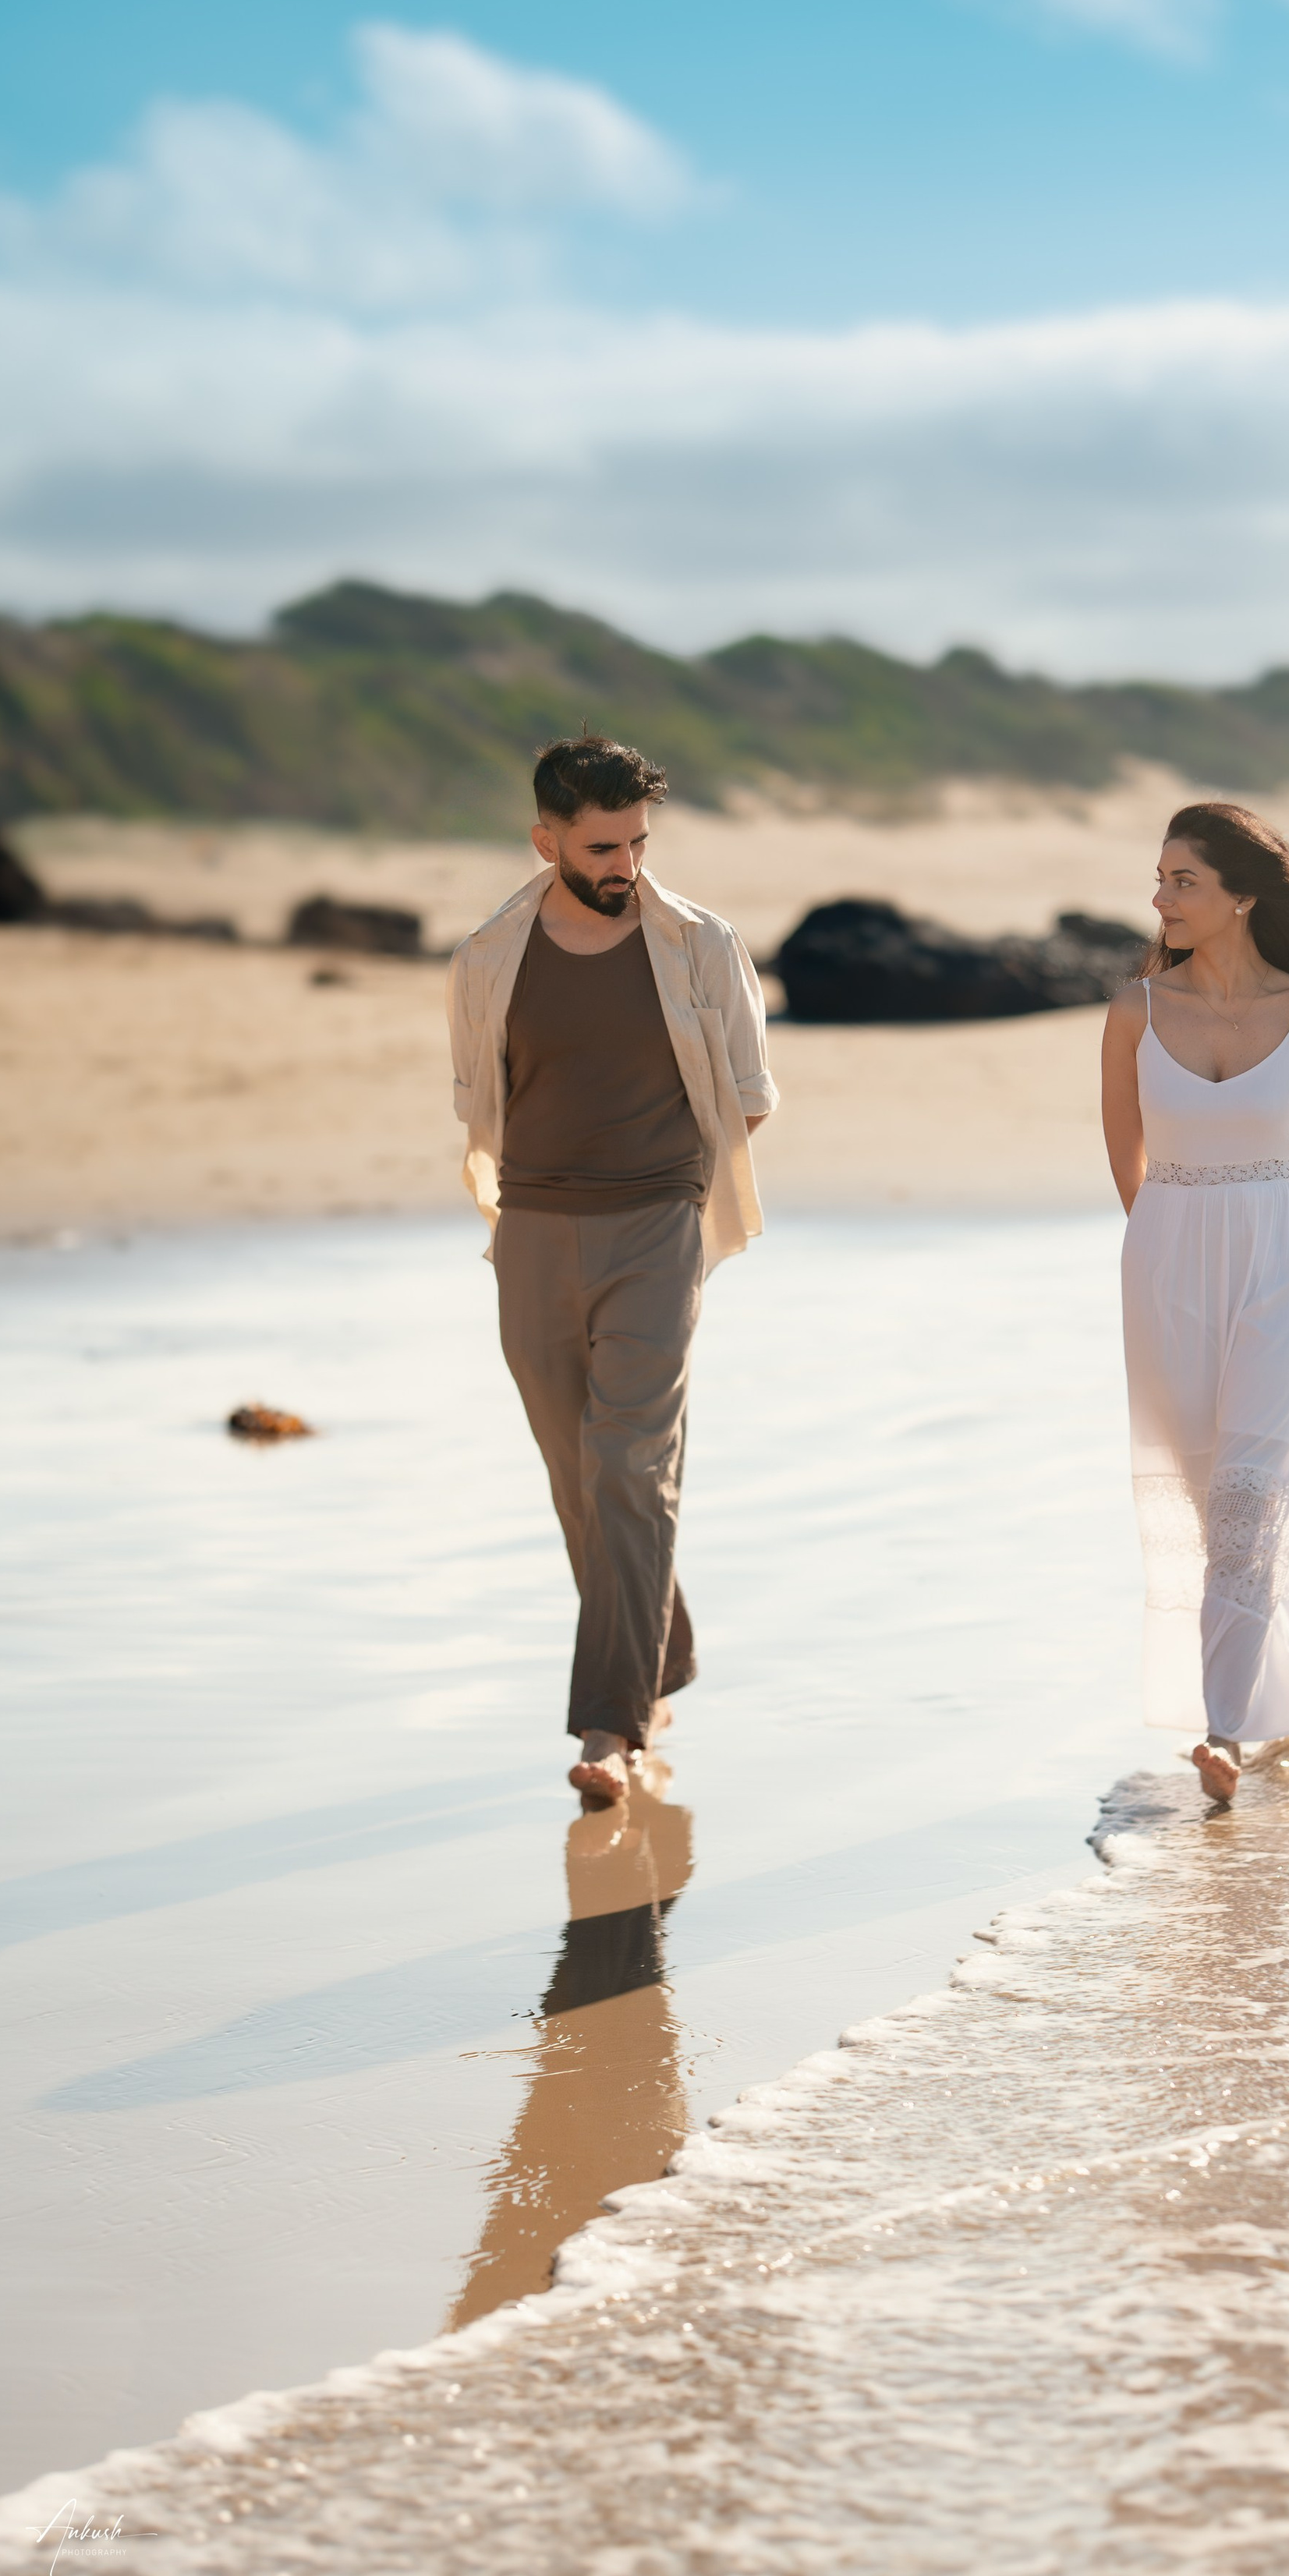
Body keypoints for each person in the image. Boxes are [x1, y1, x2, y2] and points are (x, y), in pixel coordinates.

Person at [446, 734, 776, 1810]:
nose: (624, 865)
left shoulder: (701, 945)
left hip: (656, 1227)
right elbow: (478, 1099)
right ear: (545, 842)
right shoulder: (486, 958)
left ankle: (611, 1726)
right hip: (534, 1230)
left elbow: (748, 1096)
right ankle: (658, 1653)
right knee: (578, 1477)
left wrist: (670, 1189)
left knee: (630, 1465)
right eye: (600, 847)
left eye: (636, 842)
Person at [1100, 801, 1289, 1804]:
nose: (1162, 899)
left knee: (1248, 1498)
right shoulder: (1135, 1010)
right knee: (1204, 1498)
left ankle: (1219, 1729)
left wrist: (1271, 1247)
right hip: (1164, 1265)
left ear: (1243, 896)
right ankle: (1281, 1690)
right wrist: (1173, 1248)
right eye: (1160, 879)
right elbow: (1126, 1162)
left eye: (1184, 881)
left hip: (1279, 1267)